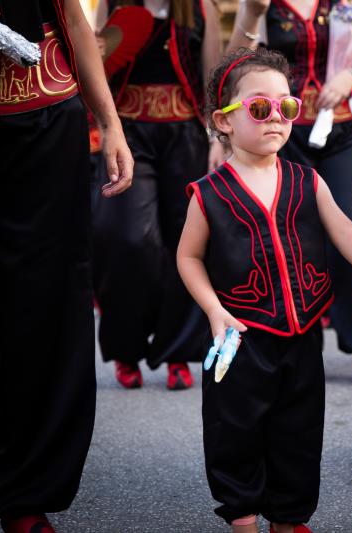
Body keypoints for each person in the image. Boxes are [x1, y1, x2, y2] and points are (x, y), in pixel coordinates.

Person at [175, 48, 352, 533]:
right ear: (224, 121)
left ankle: (290, 516)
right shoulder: (209, 193)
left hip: (301, 333)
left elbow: (344, 231)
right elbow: (187, 257)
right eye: (259, 108)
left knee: (298, 430)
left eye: (287, 107)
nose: (276, 117)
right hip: (240, 333)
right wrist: (214, 312)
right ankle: (241, 515)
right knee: (234, 429)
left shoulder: (306, 178)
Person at [0, 0, 134, 531]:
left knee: (46, 305)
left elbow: (72, 16)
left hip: (46, 114)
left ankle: (27, 492)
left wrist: (109, 122)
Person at [227, 0, 352, 385]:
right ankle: (294, 341)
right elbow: (233, 66)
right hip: (283, 128)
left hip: (341, 126)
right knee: (293, 234)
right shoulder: (262, 5)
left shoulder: (346, 4)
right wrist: (252, 13)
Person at [92, 0, 220, 390]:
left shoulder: (202, 8)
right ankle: (126, 347)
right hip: (129, 135)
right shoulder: (112, 5)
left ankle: (177, 350)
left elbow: (212, 80)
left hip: (186, 137)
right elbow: (96, 66)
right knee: (127, 238)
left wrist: (218, 138)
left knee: (184, 241)